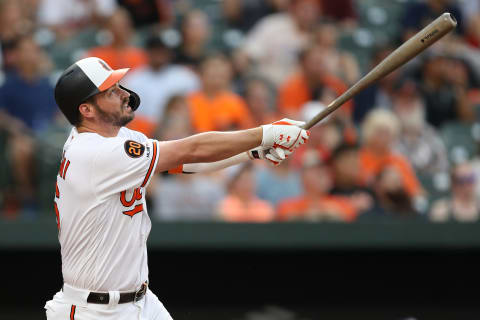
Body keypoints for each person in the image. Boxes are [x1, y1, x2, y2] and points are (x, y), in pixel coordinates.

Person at [45, 56, 309, 319]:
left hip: (141, 302)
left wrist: (253, 151)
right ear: (86, 110)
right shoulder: (95, 152)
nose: (124, 94)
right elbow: (190, 149)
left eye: (119, 86)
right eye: (111, 92)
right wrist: (266, 133)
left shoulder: (117, 137)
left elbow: (185, 163)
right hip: (95, 311)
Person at [123, 33, 199, 137]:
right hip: (144, 135)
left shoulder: (185, 76)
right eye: (157, 49)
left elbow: (195, 108)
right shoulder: (134, 79)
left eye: (164, 50)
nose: (160, 54)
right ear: (148, 51)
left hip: (178, 133)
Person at [188, 53, 254, 132]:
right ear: (200, 73)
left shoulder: (236, 103)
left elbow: (246, 132)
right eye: (213, 67)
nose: (217, 71)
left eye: (220, 68)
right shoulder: (189, 102)